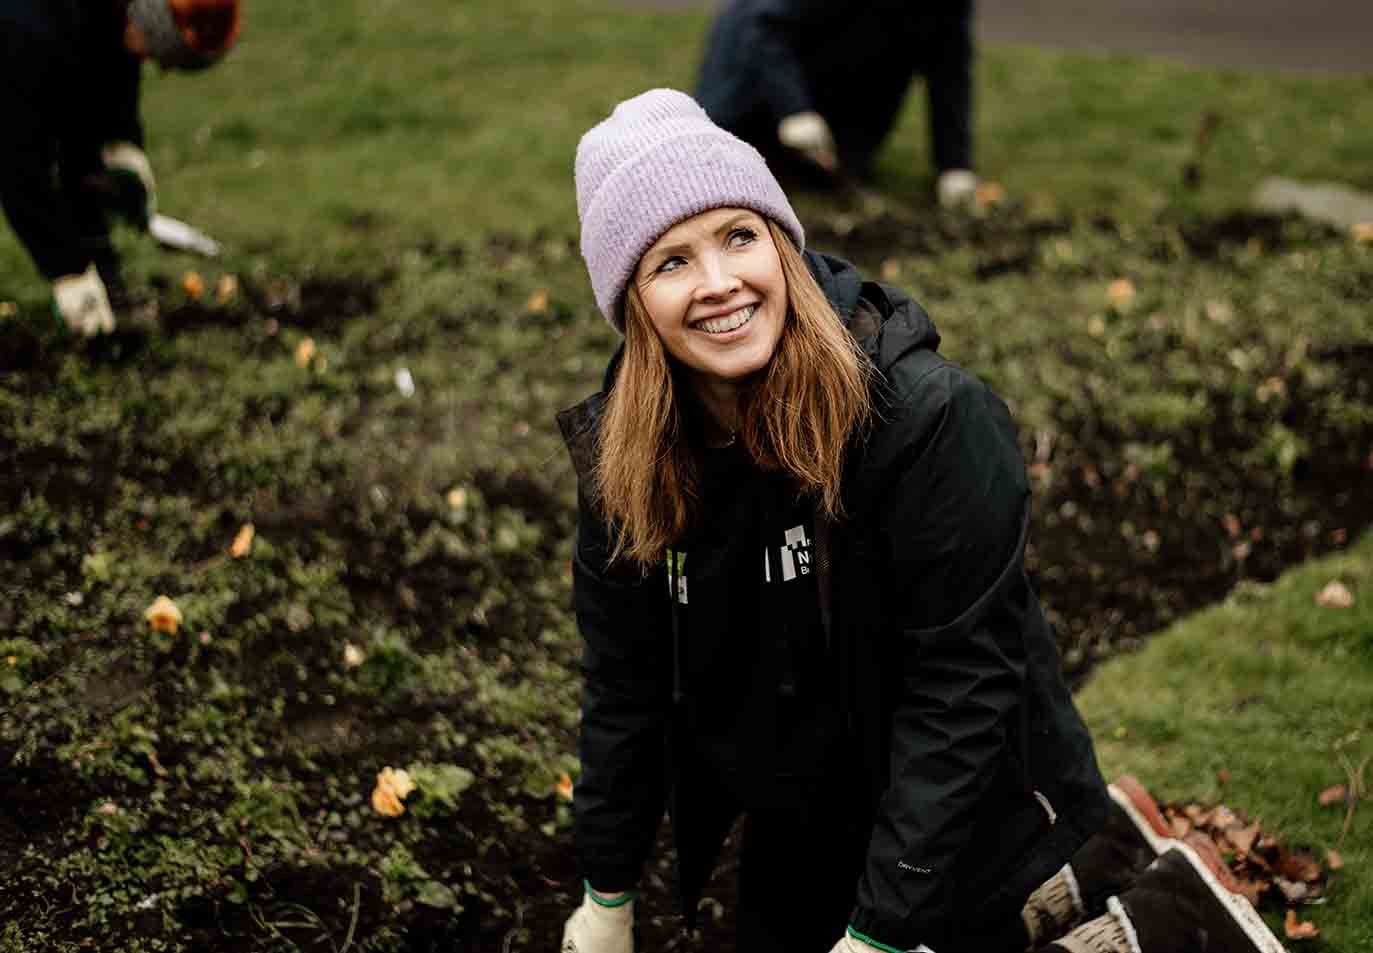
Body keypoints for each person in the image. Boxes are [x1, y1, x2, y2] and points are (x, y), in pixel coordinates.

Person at [557, 89, 1288, 953]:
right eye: (670, 262)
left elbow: (961, 688)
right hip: (807, 811)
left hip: (972, 799)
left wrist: (879, 933)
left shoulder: (926, 418)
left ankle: (1162, 919)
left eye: (738, 236)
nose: (719, 284)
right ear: (633, 300)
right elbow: (626, 683)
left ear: (781, 246)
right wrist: (605, 895)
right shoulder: (630, 455)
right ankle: (1109, 853)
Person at [0, 0, 241, 337]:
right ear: (151, 23)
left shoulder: (112, 21)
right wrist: (68, 270)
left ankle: (105, 276)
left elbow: (103, 100)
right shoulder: (30, 32)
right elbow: (17, 165)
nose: (159, 68)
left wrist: (124, 155)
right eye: (160, 56)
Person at [695, 0, 980, 206]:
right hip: (754, 62)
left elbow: (949, 66)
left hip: (852, 60)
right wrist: (793, 108)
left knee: (832, 170)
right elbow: (766, 26)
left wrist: (954, 165)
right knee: (724, 162)